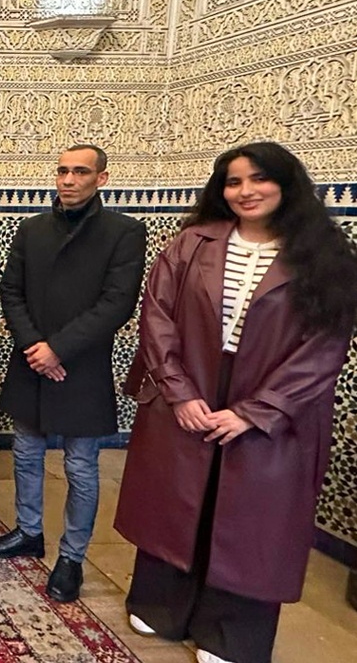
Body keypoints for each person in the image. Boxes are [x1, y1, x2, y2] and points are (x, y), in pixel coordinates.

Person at [114, 142, 357, 663]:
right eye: (233, 181)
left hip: (272, 404)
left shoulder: (323, 254)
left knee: (251, 519)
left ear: (286, 183)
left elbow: (323, 348)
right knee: (175, 502)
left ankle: (231, 634)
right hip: (192, 386)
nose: (245, 191)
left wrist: (255, 411)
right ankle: (161, 606)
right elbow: (157, 316)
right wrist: (179, 392)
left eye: (258, 179)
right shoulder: (192, 243)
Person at [0, 144, 147, 603]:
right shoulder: (32, 229)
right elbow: (11, 291)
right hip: (32, 359)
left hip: (81, 366)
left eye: (80, 172)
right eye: (62, 171)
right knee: (26, 451)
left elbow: (117, 303)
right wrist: (36, 346)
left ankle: (71, 558)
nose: (69, 180)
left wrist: (58, 349)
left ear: (101, 178)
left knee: (80, 465)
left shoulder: (123, 232)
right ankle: (28, 531)